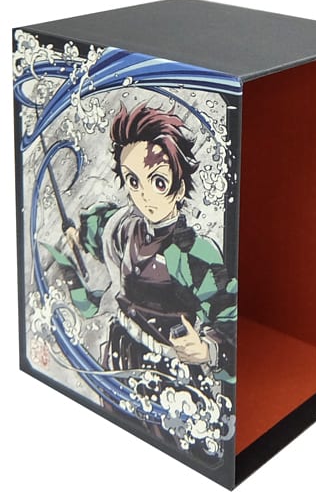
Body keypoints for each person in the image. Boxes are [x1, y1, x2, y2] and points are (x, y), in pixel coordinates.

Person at [66, 103, 237, 388]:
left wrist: (209, 350)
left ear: (179, 188)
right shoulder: (125, 226)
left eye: (158, 182)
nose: (144, 195)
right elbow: (99, 230)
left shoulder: (192, 252)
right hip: (120, 354)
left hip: (168, 376)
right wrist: (79, 234)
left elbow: (228, 310)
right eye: (133, 181)